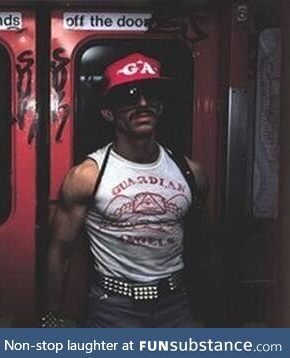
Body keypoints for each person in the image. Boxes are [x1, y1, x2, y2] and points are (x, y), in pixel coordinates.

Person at [42, 53, 209, 328]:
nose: (143, 104)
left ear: (161, 107)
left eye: (151, 94)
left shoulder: (191, 173)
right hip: (113, 308)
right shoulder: (88, 176)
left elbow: (207, 247)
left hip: (176, 304)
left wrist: (217, 317)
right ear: (108, 112)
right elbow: (60, 249)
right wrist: (51, 316)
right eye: (129, 97)